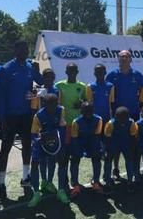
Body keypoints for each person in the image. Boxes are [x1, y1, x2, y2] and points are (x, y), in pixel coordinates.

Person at [0, 41, 43, 199]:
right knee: (5, 149)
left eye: (27, 49)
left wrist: (38, 70)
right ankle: (1, 184)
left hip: (26, 115)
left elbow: (42, 81)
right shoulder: (7, 68)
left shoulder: (30, 66)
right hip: (10, 116)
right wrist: (1, 118)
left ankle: (25, 177)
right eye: (22, 49)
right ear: (15, 50)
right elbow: (1, 96)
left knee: (26, 146)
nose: (25, 51)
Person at [106, 50, 143, 178]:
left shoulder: (137, 75)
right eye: (122, 56)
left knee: (133, 144)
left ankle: (134, 170)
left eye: (127, 56)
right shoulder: (112, 75)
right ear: (118, 59)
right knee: (116, 145)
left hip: (133, 114)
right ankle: (116, 168)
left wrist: (140, 109)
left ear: (131, 59)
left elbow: (142, 92)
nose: (124, 58)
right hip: (117, 117)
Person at [28, 94, 69, 207]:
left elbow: (62, 127)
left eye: (54, 105)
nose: (52, 108)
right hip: (42, 141)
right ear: (44, 104)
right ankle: (36, 192)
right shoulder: (38, 116)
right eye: (49, 105)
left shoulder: (61, 110)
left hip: (56, 139)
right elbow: (34, 134)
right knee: (35, 162)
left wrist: (55, 139)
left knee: (62, 160)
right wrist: (40, 139)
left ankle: (60, 190)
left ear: (57, 104)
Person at [55, 62, 87, 191]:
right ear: (66, 71)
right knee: (63, 158)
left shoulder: (82, 86)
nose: (72, 72)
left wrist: (82, 104)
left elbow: (87, 103)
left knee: (76, 156)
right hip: (64, 127)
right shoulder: (59, 85)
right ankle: (63, 184)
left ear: (77, 72)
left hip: (77, 127)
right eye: (69, 70)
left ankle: (75, 182)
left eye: (74, 70)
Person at [30, 68, 60, 193]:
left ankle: (50, 181)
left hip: (53, 128)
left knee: (52, 157)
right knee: (42, 158)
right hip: (41, 129)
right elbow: (33, 108)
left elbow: (59, 108)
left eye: (51, 77)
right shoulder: (38, 91)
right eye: (46, 76)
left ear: (54, 77)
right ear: (43, 77)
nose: (49, 79)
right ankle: (43, 181)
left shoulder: (57, 90)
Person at [70, 102, 105, 197]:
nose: (88, 114)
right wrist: (76, 151)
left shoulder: (98, 119)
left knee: (96, 158)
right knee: (74, 159)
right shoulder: (76, 122)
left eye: (90, 112)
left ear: (93, 111)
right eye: (86, 112)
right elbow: (74, 138)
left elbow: (97, 135)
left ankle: (96, 182)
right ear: (81, 111)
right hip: (79, 141)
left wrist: (96, 150)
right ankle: (75, 184)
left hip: (92, 140)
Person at [103, 106, 138, 193]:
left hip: (126, 144)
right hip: (113, 144)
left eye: (124, 119)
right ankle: (107, 182)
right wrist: (107, 150)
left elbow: (133, 137)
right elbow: (107, 138)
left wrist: (133, 149)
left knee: (129, 160)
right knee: (109, 160)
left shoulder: (131, 123)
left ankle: (130, 181)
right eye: (120, 119)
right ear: (116, 117)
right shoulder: (110, 124)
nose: (122, 121)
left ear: (128, 117)